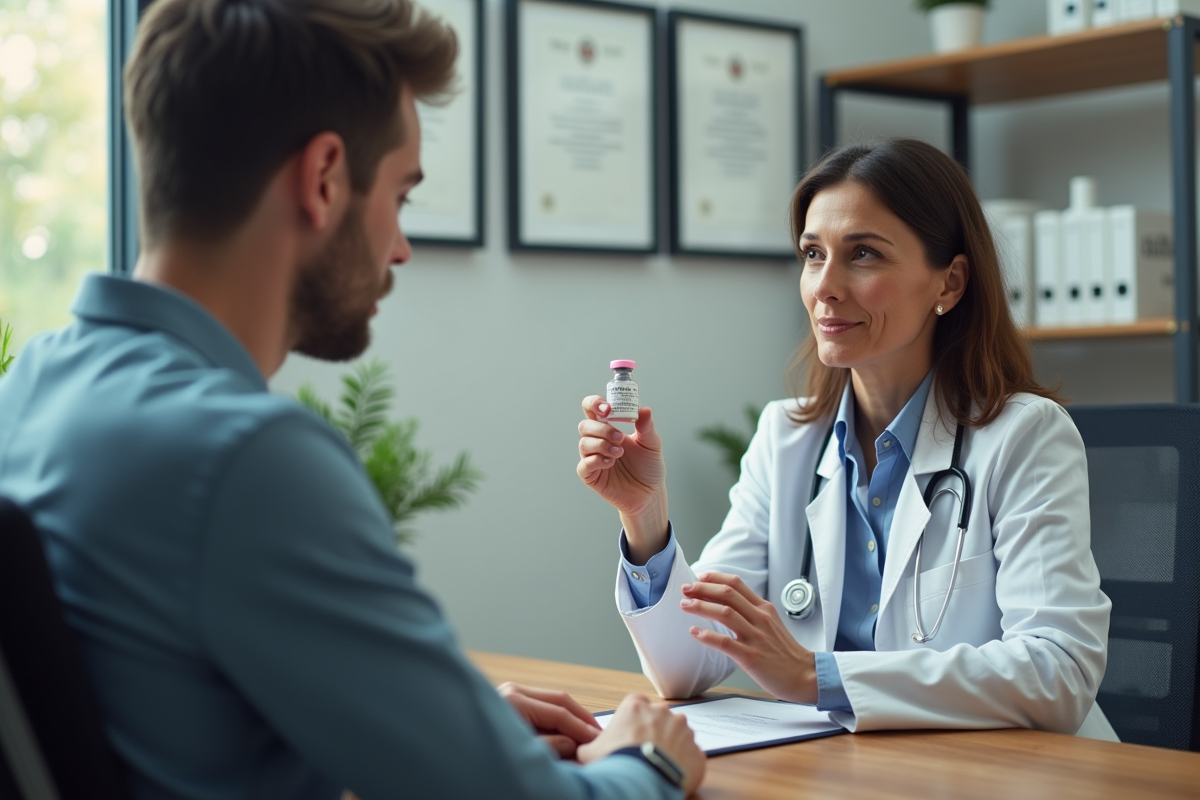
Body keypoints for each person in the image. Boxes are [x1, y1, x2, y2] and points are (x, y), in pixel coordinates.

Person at [0, 0, 705, 797]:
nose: (400, 246)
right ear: (325, 177)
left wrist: (441, 726)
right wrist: (647, 761)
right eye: (401, 196)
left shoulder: (29, 388)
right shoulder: (247, 460)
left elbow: (175, 714)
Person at [576, 138, 1115, 740]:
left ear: (950, 283)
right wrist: (644, 515)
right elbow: (686, 668)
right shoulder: (786, 440)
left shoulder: (1025, 436)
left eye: (863, 254)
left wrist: (818, 676)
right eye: (812, 253)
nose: (824, 287)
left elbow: (1059, 671)